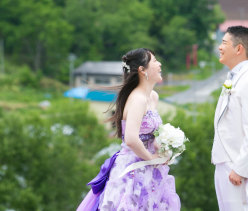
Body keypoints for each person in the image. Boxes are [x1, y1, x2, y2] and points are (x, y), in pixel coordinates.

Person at [76, 48, 181, 211]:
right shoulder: (137, 99)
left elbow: (152, 133)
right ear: (142, 70)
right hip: (134, 169)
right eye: (154, 61)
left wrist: (163, 150)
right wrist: (151, 158)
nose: (160, 64)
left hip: (151, 168)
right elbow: (131, 139)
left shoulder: (153, 97)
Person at [212, 25, 248, 211]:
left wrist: (240, 169)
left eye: (224, 43)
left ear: (239, 49)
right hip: (223, 163)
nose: (220, 47)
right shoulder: (234, 77)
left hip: (235, 166)